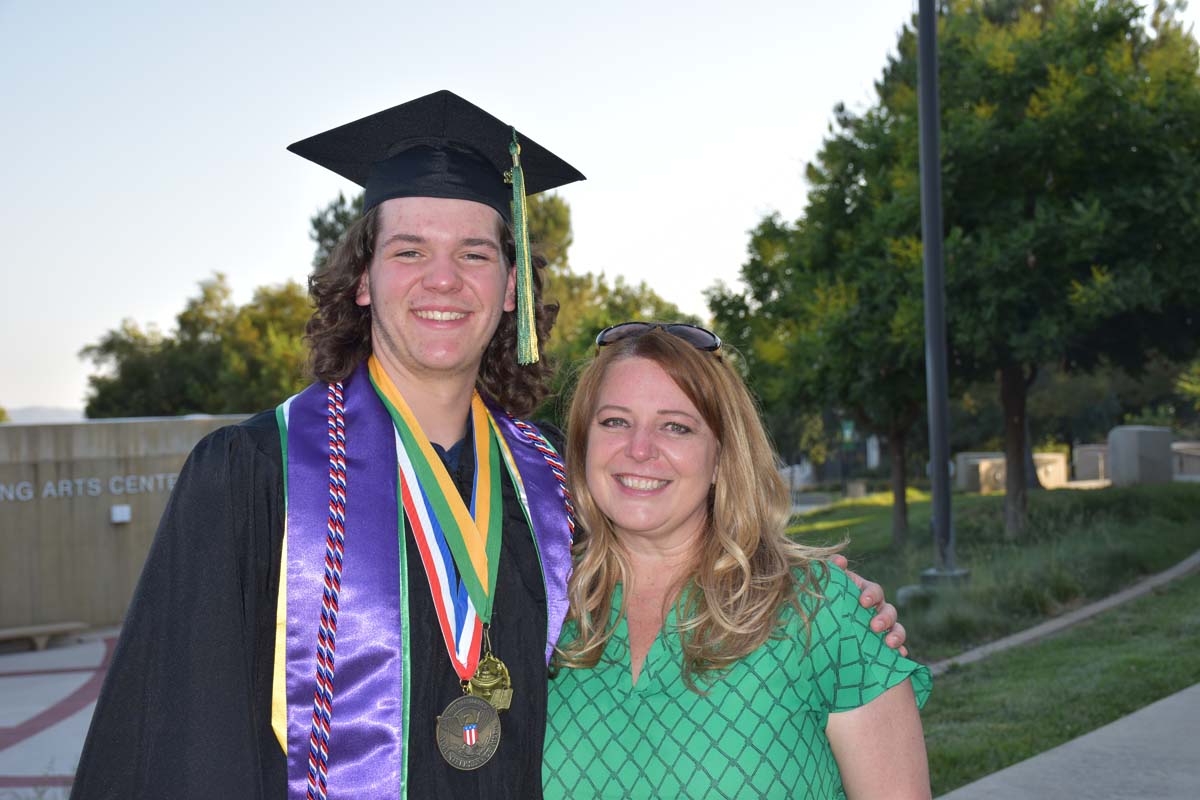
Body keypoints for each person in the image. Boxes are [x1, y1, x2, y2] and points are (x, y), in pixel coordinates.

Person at [71, 92, 906, 799]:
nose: (444, 280)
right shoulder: (256, 477)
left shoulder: (551, 483)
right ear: (363, 280)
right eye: (410, 252)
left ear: (511, 288)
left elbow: (677, 552)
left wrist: (829, 601)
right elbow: (181, 745)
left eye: (474, 252)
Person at [543, 323, 931, 800]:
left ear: (721, 456)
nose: (639, 449)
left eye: (676, 427)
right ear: (583, 444)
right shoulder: (541, 608)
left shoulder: (822, 612)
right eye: (615, 422)